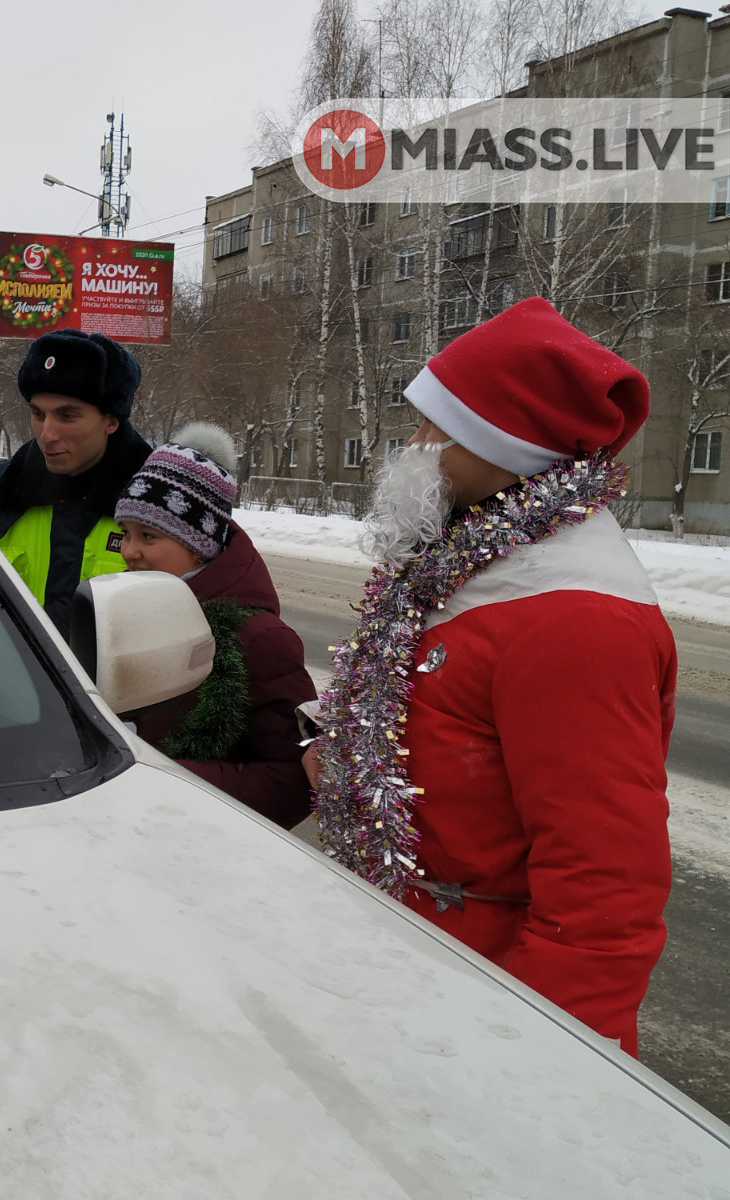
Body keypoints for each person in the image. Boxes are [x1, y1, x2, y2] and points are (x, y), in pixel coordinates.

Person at [303, 296, 675, 1058]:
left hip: (487, 1012)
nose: (415, 444)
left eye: (433, 424)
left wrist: (540, 1065)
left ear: (504, 440)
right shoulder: (470, 567)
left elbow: (603, 897)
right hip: (422, 973)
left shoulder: (572, 618)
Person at [111, 425, 316, 828]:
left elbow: (294, 778)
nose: (129, 552)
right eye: (126, 534)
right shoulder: (133, 607)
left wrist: (171, 782)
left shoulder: (259, 639)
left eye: (148, 536)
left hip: (200, 845)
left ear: (199, 546)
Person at [0, 329, 151, 639]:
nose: (47, 434)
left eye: (67, 415)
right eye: (38, 414)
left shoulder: (164, 511)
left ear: (111, 420)